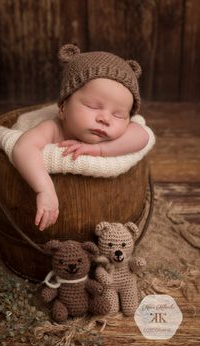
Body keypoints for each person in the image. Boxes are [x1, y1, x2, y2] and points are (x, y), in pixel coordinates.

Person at [12, 44, 149, 232]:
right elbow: (23, 148)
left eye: (119, 115)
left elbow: (142, 136)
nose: (105, 119)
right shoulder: (53, 128)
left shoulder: (117, 134)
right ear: (63, 107)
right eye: (93, 106)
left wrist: (100, 150)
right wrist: (44, 189)